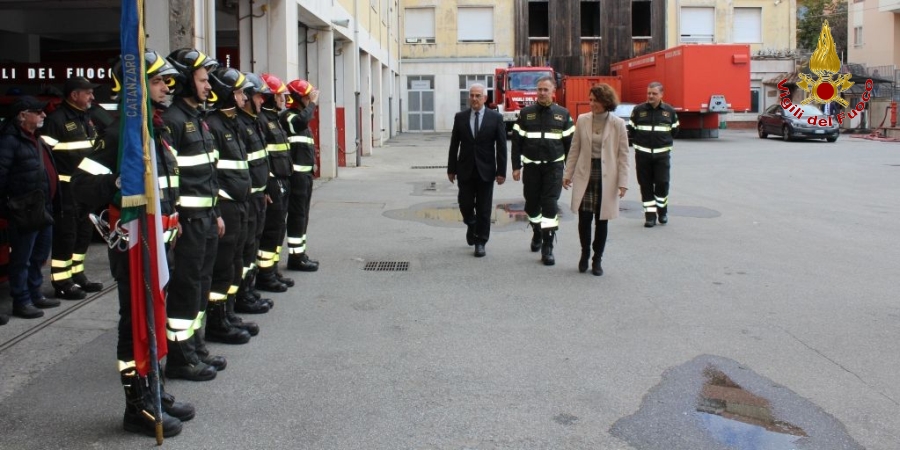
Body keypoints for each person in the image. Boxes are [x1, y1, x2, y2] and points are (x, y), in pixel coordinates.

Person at [71, 50, 193, 437]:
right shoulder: (118, 133)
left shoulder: (154, 128)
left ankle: (155, 390)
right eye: (157, 81)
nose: (166, 87)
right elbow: (80, 186)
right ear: (136, 87)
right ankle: (136, 405)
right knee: (135, 325)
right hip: (135, 247)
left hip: (161, 247)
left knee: (155, 319)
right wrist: (115, 184)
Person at [162, 48, 225, 381]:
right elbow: (170, 182)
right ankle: (179, 356)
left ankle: (196, 347)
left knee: (201, 285)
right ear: (186, 81)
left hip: (205, 219)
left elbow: (208, 175)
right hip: (186, 223)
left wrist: (215, 213)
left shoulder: (196, 118)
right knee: (186, 287)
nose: (207, 85)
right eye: (202, 79)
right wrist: (174, 222)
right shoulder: (172, 121)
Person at [204, 66, 255, 345]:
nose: (243, 98)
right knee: (223, 266)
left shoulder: (231, 122)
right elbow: (210, 171)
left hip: (239, 202)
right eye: (238, 92)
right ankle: (216, 321)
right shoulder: (213, 124)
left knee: (235, 260)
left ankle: (228, 313)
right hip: (225, 205)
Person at [41, 76, 104, 300]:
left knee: (83, 234)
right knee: (66, 235)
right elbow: (44, 157)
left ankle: (78, 275)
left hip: (86, 188)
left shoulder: (86, 118)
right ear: (74, 95)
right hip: (66, 189)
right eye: (88, 92)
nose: (92, 96)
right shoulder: (56, 120)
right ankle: (62, 281)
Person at [0, 96, 61, 319]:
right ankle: (22, 300)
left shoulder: (35, 138)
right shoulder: (9, 141)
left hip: (42, 207)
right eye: (38, 111)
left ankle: (35, 294)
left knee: (39, 254)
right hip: (24, 210)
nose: (43, 115)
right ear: (22, 115)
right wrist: (8, 208)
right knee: (22, 258)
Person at [563, 84, 630, 276]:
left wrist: (623, 182)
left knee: (602, 220)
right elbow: (574, 149)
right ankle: (584, 254)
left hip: (606, 176)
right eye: (590, 100)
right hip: (586, 173)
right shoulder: (583, 120)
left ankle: (597, 259)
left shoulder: (618, 124)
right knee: (584, 219)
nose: (591, 103)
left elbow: (623, 155)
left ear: (605, 102)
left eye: (595, 100)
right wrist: (568, 174)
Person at [510, 76, 575, 266]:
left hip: (554, 168)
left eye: (546, 89)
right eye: (539, 89)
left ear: (553, 91)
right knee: (531, 205)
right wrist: (516, 167)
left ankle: (548, 245)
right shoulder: (525, 114)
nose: (542, 93)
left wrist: (569, 171)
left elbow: (571, 146)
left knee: (549, 205)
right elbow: (516, 143)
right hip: (531, 168)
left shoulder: (563, 114)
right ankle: (537, 231)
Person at [447, 83, 507, 257]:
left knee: (484, 208)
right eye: (471, 95)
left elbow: (501, 146)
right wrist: (451, 169)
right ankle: (471, 224)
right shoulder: (460, 117)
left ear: (485, 98)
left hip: (486, 170)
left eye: (477, 96)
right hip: (465, 169)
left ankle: (481, 241)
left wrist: (501, 171)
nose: (474, 99)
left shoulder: (495, 118)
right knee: (465, 204)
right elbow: (454, 145)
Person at [233, 72, 274, 316]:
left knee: (251, 247)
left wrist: (265, 188)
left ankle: (247, 290)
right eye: (259, 96)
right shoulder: (239, 124)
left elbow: (260, 161)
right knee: (243, 249)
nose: (262, 101)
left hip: (257, 196)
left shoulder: (251, 122)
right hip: (244, 198)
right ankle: (241, 296)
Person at [254, 73, 295, 292]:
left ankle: (273, 269)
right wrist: (269, 182)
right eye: (280, 96)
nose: (284, 99)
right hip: (273, 182)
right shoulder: (262, 121)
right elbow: (263, 157)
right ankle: (265, 275)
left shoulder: (273, 119)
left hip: (283, 180)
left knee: (279, 228)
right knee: (271, 229)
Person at [282, 79, 321, 272]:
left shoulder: (300, 117)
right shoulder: (289, 117)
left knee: (303, 216)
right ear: (298, 98)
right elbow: (300, 122)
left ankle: (300, 253)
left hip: (304, 177)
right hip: (295, 177)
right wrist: (312, 103)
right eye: (306, 97)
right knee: (297, 217)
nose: (310, 100)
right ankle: (295, 258)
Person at [628, 81, 679, 228]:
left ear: (661, 95)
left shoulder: (669, 111)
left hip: (662, 157)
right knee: (646, 186)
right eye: (649, 93)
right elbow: (632, 130)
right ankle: (650, 216)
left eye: (654, 93)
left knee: (662, 184)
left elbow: (675, 130)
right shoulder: (638, 110)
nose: (650, 96)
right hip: (643, 156)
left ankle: (662, 212)